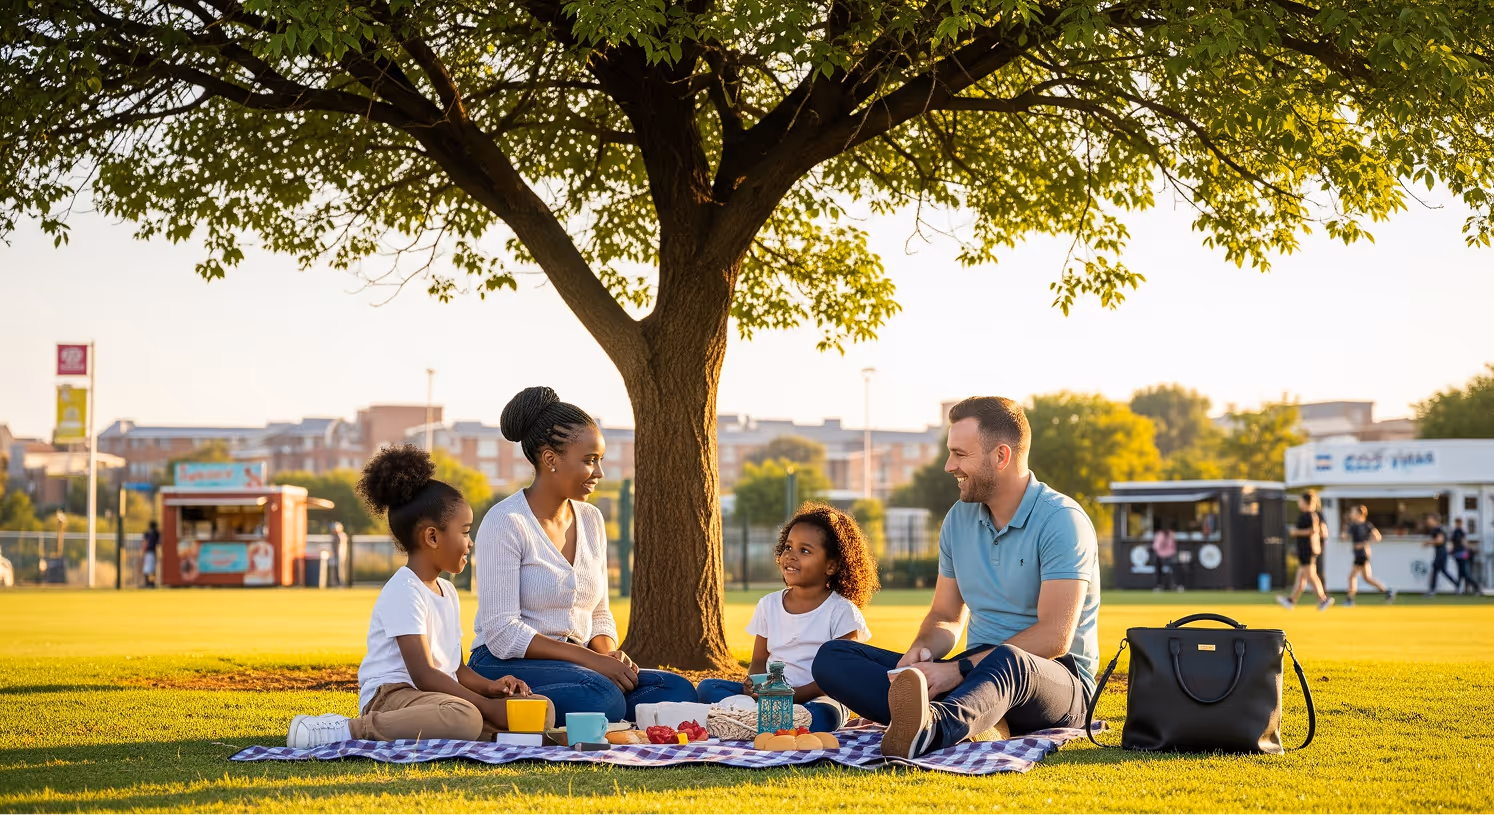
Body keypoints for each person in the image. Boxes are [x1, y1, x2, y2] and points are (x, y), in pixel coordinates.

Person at [811, 397, 1100, 759]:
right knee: (833, 656)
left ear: (1001, 456)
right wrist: (921, 656)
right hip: (974, 676)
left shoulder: (1061, 520)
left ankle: (933, 727)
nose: (950, 466)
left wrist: (958, 669)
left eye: (960, 454)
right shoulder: (958, 520)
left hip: (1054, 682)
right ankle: (962, 719)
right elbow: (946, 615)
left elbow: (1054, 637)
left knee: (1010, 659)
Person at [287, 445, 548, 747]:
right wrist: (485, 706)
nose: (470, 542)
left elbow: (457, 670)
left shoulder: (447, 591)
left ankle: (492, 732)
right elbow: (423, 674)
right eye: (464, 532)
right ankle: (349, 730)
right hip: (393, 697)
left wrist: (493, 689)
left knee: (542, 708)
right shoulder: (404, 590)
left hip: (435, 698)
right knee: (465, 716)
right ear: (432, 537)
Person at [467, 387, 696, 721]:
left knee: (675, 690)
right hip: (503, 663)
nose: (599, 473)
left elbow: (599, 613)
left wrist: (608, 656)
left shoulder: (591, 520)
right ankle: (494, 705)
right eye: (590, 461)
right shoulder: (506, 522)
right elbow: (503, 633)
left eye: (600, 460)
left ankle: (565, 706)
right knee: (601, 699)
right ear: (550, 459)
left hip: (577, 665)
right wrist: (590, 661)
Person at [696, 503, 878, 732]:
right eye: (788, 547)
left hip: (819, 698)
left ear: (831, 565)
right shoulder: (768, 605)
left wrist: (791, 697)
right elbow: (759, 660)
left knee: (824, 715)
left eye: (804, 551)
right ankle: (764, 719)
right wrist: (755, 685)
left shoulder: (842, 612)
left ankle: (749, 720)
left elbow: (841, 676)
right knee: (708, 687)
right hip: (771, 696)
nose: (791, 556)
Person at [1277, 492, 1333, 611]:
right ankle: (1291, 600)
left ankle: (1323, 599)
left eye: (1300, 501)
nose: (1299, 503)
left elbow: (1314, 530)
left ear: (1307, 502)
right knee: (1301, 578)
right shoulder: (1306, 515)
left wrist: (1296, 532)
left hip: (1308, 550)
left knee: (1311, 576)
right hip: (1305, 550)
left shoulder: (1310, 515)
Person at [1342, 505, 1394, 606]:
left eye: (1353, 512)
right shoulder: (1353, 525)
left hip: (1362, 554)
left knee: (1352, 576)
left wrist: (1363, 544)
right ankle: (1387, 591)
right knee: (1367, 578)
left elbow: (1377, 536)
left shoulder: (1365, 525)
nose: (1351, 514)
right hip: (1361, 554)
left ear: (1359, 514)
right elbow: (1344, 536)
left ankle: (1349, 599)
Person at [1424, 513, 1458, 597]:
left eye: (1429, 520)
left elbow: (1440, 540)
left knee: (1436, 570)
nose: (1427, 522)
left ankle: (1432, 590)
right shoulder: (1438, 529)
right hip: (1441, 552)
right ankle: (1457, 585)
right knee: (1442, 570)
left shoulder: (1437, 529)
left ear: (1434, 520)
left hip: (1441, 552)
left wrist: (1428, 543)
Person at [1451, 518, 1481, 595]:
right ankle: (1460, 589)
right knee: (1461, 573)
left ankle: (1476, 587)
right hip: (1459, 553)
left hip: (1462, 554)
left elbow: (1463, 542)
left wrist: (1470, 547)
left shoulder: (1459, 531)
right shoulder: (1457, 531)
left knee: (1464, 573)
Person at [1151, 521, 1178, 592]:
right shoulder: (1160, 535)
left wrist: (1170, 554)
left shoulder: (1171, 536)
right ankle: (1158, 585)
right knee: (1157, 567)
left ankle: (1174, 585)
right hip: (1160, 556)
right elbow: (1156, 546)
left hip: (1169, 556)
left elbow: (1173, 548)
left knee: (1175, 567)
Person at [329, 521, 349, 587]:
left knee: (340, 569)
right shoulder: (334, 536)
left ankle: (341, 583)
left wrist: (336, 554)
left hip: (340, 555)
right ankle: (335, 582)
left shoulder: (341, 535)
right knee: (335, 569)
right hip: (335, 555)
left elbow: (338, 546)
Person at [140, 520, 160, 589]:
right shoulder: (156, 533)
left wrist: (143, 551)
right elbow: (158, 543)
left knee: (147, 569)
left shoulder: (147, 533)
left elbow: (144, 542)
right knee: (152, 569)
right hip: (152, 552)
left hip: (148, 552)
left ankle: (148, 582)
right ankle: (151, 583)